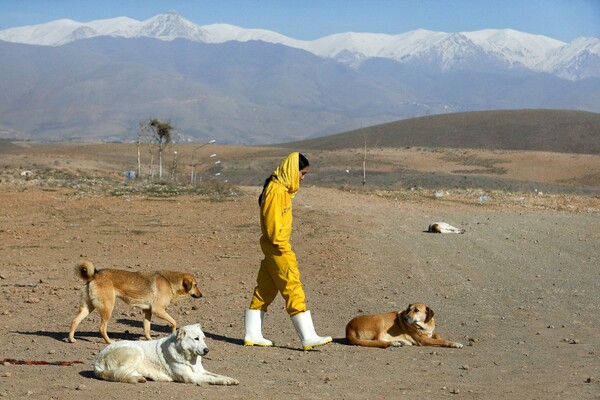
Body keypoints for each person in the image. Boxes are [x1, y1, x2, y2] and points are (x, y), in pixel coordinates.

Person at [244, 152, 332, 351]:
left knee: (264, 291)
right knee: (293, 287)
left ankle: (252, 334)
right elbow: (273, 226)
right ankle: (307, 337)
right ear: (292, 170)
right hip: (278, 249)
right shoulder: (276, 191)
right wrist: (284, 248)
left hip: (272, 249)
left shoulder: (279, 189)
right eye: (302, 173)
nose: (302, 177)